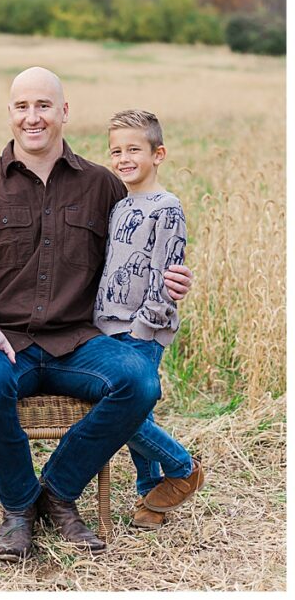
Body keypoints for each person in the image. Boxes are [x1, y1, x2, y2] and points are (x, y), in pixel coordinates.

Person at [0, 67, 193, 561]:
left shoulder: (102, 187)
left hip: (80, 341)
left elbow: (141, 251)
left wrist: (173, 279)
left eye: (44, 106)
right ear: (9, 114)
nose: (33, 117)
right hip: (1, 339)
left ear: (64, 112)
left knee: (139, 384)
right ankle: (18, 507)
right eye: (23, 107)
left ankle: (58, 490)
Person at [94, 110, 204, 529]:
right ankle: (149, 495)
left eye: (133, 150)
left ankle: (181, 467)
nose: (123, 158)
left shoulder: (167, 207)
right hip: (109, 325)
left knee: (121, 412)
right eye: (116, 151)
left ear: (158, 154)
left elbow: (165, 273)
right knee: (139, 412)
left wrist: (143, 328)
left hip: (141, 329)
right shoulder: (121, 205)